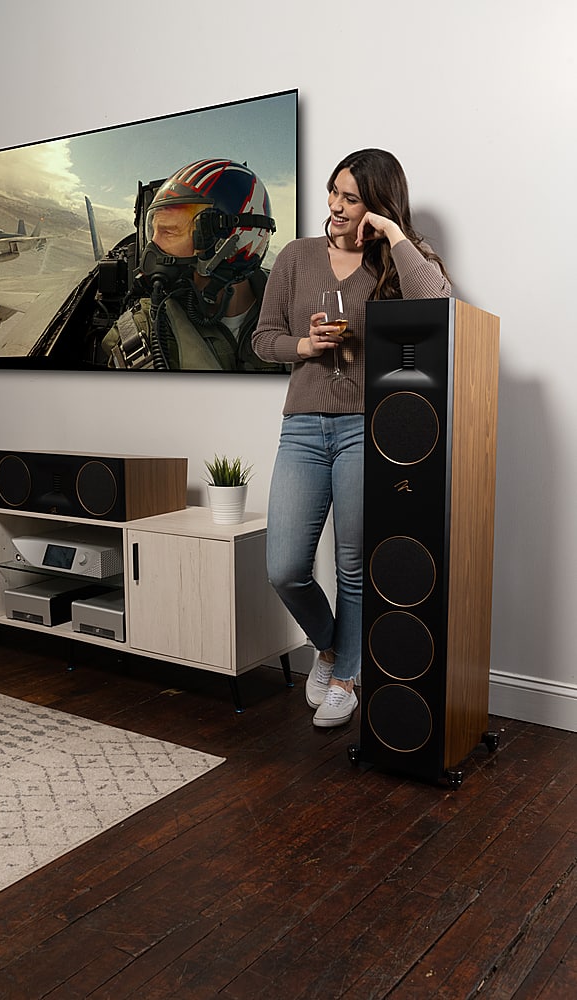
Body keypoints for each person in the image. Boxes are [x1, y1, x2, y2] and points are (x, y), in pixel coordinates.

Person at [252, 148, 451, 727]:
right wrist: (304, 347)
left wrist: (392, 233)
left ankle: (347, 678)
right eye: (334, 193)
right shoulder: (296, 257)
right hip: (304, 427)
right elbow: (263, 339)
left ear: (378, 205)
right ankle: (334, 646)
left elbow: (440, 307)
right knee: (285, 565)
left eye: (352, 198)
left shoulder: (394, 262)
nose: (336, 207)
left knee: (351, 563)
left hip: (368, 430)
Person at [102, 159, 287, 372]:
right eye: (153, 232)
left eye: (169, 231)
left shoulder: (300, 315)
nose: (152, 249)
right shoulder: (146, 329)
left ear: (230, 242)